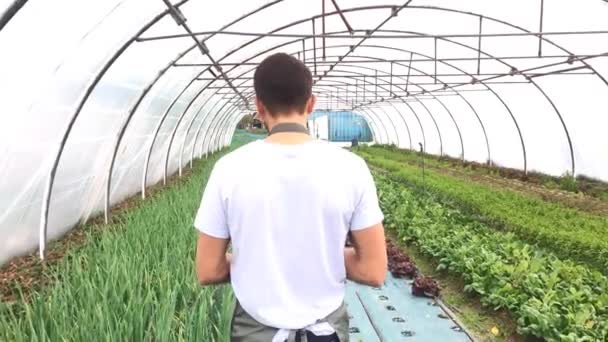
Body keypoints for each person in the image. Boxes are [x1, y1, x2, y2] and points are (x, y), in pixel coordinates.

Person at [193, 53, 387, 342]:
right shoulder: (350, 167)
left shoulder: (230, 168)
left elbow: (209, 269)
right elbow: (373, 270)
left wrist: (259, 258)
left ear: (259, 106)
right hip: (326, 332)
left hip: (256, 332)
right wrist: (318, 256)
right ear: (311, 103)